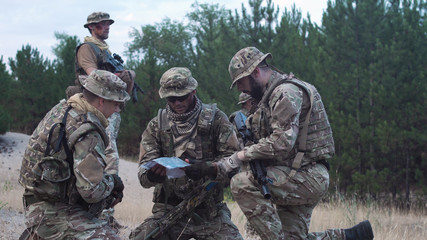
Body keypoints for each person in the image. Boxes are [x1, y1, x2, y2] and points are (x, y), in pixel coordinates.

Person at [227, 47, 374, 240]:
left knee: (241, 183)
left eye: (240, 82)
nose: (239, 88)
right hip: (295, 174)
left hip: (305, 176)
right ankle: (349, 236)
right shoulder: (268, 98)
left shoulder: (285, 92)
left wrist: (240, 156)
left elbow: (281, 143)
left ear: (255, 72)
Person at [130, 67, 243, 240]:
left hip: (210, 211)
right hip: (169, 210)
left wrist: (209, 169)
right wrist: (153, 175)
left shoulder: (217, 120)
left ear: (193, 91)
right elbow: (143, 174)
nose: (177, 103)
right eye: (171, 99)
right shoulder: (156, 126)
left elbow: (234, 162)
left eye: (182, 97)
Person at [19, 70, 130, 239]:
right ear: (101, 101)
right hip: (51, 213)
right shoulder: (88, 130)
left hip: (36, 202)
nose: (117, 110)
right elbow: (91, 192)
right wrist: (112, 182)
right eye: (116, 104)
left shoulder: (64, 109)